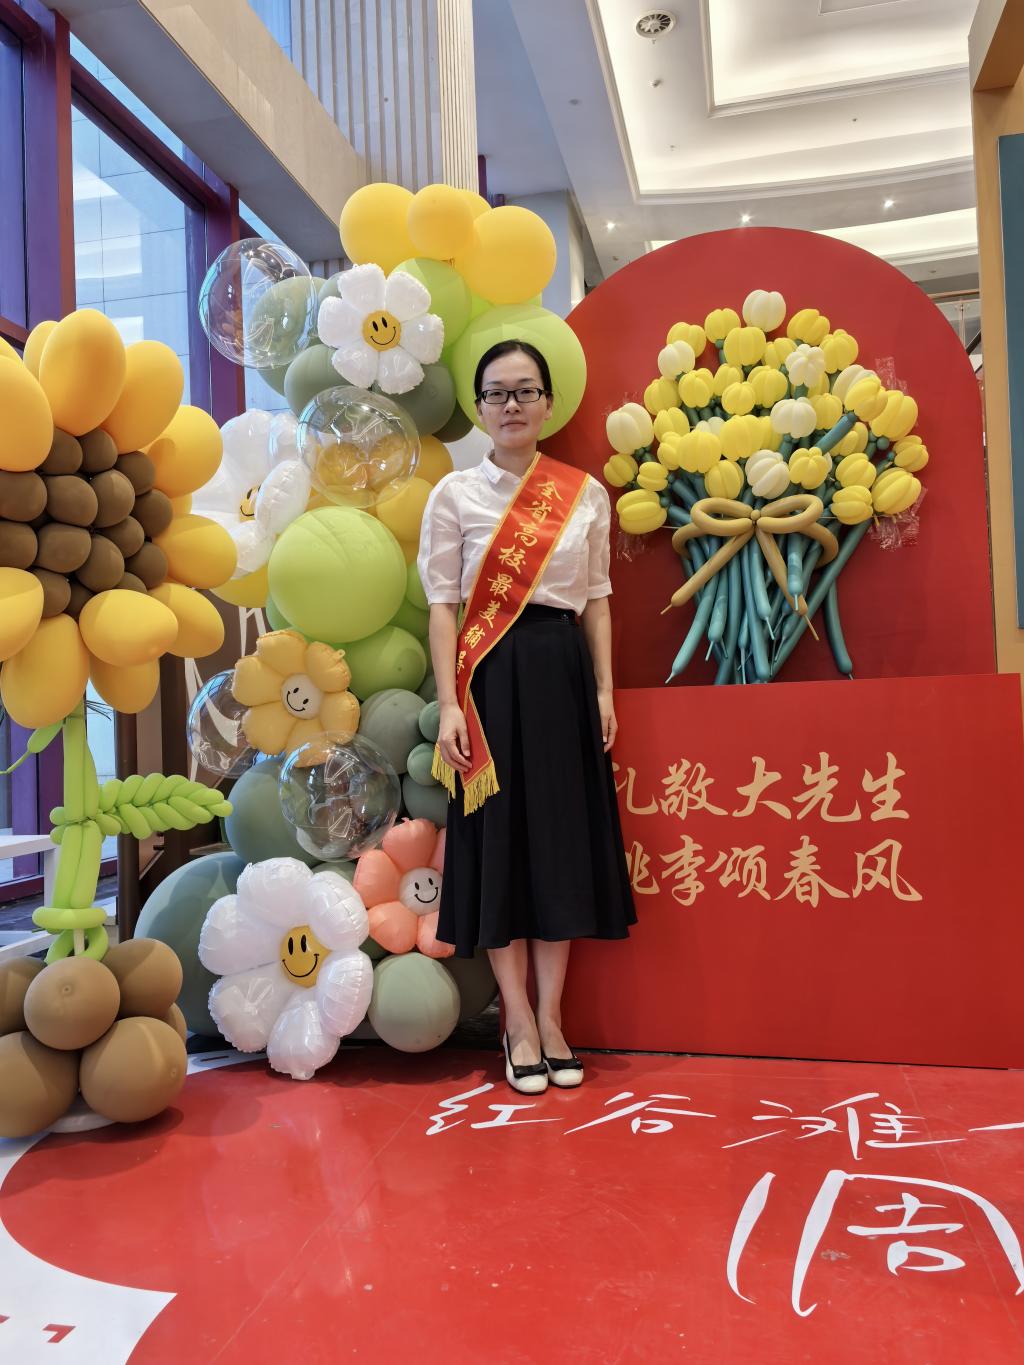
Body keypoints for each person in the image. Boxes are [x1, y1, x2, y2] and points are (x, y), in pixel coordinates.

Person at [418, 339, 636, 1096]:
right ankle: (516, 1021)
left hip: (561, 675)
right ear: (480, 408)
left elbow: (597, 600)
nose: (511, 404)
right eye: (497, 393)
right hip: (487, 681)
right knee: (502, 849)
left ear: (547, 402)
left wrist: (604, 692)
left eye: (525, 390)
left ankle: (553, 1017)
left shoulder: (583, 494)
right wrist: (450, 702)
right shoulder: (453, 495)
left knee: (558, 849)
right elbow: (443, 607)